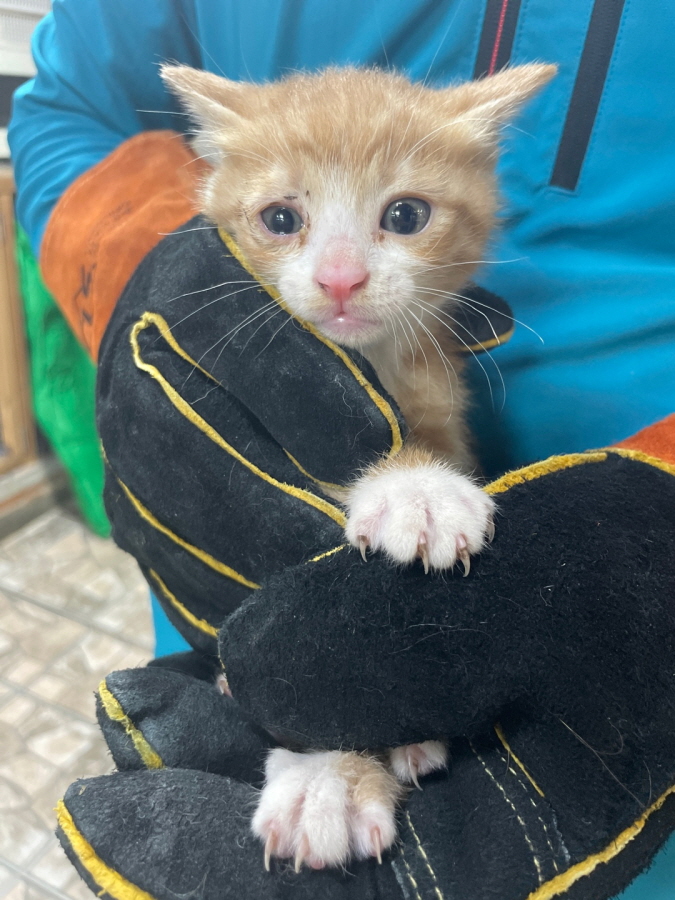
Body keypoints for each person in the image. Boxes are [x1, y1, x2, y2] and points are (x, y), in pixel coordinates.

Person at [9, 2, 675, 896]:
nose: (339, 277)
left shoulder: (423, 348)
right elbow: (66, 106)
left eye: (402, 214)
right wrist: (141, 276)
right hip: (231, 626)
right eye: (282, 219)